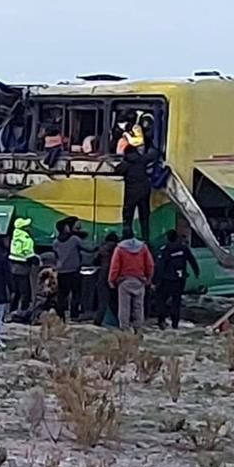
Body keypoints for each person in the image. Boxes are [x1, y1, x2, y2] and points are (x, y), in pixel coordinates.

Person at [117, 112, 159, 241]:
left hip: (131, 193)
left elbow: (117, 171)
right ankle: (146, 238)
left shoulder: (126, 164)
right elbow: (154, 154)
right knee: (144, 216)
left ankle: (126, 238)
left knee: (127, 216)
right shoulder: (141, 159)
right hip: (144, 191)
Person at [108, 228, 155, 331]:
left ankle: (124, 329)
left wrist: (111, 280)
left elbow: (115, 266)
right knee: (138, 307)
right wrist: (149, 279)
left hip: (124, 282)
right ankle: (138, 329)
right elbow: (150, 265)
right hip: (139, 281)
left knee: (124, 308)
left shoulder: (120, 248)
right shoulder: (143, 247)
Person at [153, 229, 201, 329]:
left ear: (167, 238)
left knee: (161, 300)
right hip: (180, 280)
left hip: (167, 280)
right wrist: (197, 273)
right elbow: (192, 260)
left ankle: (161, 321)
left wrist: (155, 280)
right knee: (176, 302)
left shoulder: (165, 249)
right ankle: (175, 324)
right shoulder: (183, 248)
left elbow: (160, 266)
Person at [52, 217, 95, 321]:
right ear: (66, 228)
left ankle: (60, 315)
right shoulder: (74, 239)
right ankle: (74, 315)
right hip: (73, 271)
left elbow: (56, 256)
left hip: (61, 272)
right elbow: (88, 249)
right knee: (76, 294)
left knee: (62, 295)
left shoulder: (56, 242)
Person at [8, 217, 36, 312]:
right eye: (27, 226)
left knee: (16, 292)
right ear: (23, 228)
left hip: (13, 266)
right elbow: (28, 253)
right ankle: (24, 311)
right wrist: (35, 259)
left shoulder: (15, 236)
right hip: (22, 268)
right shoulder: (26, 239)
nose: (29, 227)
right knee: (25, 292)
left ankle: (12, 309)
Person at [93, 232, 120, 327]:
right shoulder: (119, 249)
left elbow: (94, 261)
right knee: (115, 301)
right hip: (115, 277)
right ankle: (117, 321)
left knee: (103, 301)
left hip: (102, 276)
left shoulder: (102, 249)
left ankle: (98, 321)